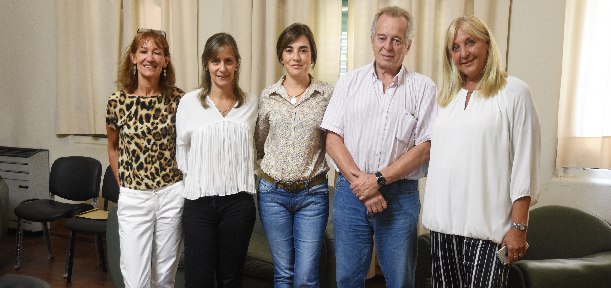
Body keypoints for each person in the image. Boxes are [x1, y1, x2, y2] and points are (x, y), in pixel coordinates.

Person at [321, 6, 438, 288]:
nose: (388, 46)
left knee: (400, 280)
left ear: (407, 46)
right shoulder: (349, 82)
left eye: (396, 40)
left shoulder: (423, 88)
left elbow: (425, 147)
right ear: (372, 40)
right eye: (382, 38)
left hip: (400, 196)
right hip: (351, 195)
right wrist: (364, 184)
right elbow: (332, 138)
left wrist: (379, 180)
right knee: (348, 279)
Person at [422, 15, 541, 287]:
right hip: (442, 230)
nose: (463, 53)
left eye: (470, 42)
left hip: (488, 233)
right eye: (455, 47)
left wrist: (519, 227)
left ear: (487, 44)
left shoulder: (514, 92)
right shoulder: (446, 98)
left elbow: (526, 162)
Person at [176, 32, 257, 288]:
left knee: (231, 279)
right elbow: (182, 150)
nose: (222, 68)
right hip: (198, 206)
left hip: (238, 206)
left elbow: (258, 148)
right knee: (198, 279)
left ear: (237, 64)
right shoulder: (189, 102)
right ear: (206, 65)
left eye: (229, 61)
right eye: (215, 61)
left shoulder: (252, 104)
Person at [255, 23, 333, 288]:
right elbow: (259, 142)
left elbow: (333, 142)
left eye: (303, 50)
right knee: (284, 274)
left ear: (312, 57)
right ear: (281, 56)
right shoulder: (268, 96)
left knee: (306, 277)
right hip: (272, 194)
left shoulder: (327, 95)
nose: (296, 57)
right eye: (289, 50)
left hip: (312, 197)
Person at [106, 28, 184, 288]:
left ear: (166, 60)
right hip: (133, 197)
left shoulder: (178, 100)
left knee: (164, 278)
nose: (150, 57)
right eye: (144, 51)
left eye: (157, 52)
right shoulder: (117, 101)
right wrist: (122, 183)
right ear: (133, 57)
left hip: (171, 194)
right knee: (135, 280)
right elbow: (113, 145)